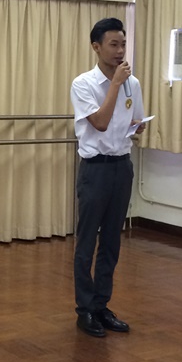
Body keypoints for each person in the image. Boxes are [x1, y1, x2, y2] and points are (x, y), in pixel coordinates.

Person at [70, 17, 145, 337]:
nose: (120, 51)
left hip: (121, 166)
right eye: (113, 44)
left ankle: (102, 306)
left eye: (123, 44)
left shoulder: (133, 83)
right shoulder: (83, 84)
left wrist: (137, 126)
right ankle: (85, 309)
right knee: (87, 242)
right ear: (96, 47)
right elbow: (99, 123)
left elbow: (137, 121)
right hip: (95, 169)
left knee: (112, 241)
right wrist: (115, 84)